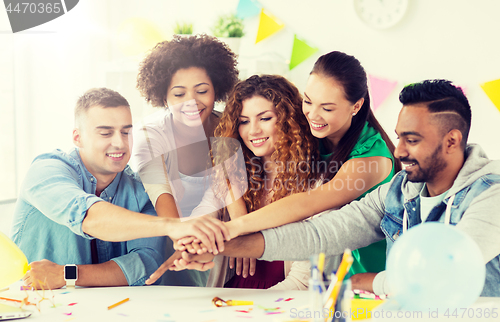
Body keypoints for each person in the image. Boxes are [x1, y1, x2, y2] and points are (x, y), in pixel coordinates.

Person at [171, 79, 500, 297]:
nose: (398, 151)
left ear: (452, 140)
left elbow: (443, 277)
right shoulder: (400, 191)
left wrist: (363, 282)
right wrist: (219, 247)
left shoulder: (491, 193)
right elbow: (319, 235)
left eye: (411, 141)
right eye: (399, 137)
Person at [175, 51, 400, 281]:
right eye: (308, 101)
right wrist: (234, 206)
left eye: (327, 108)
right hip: (328, 268)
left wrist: (237, 229)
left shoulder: (372, 161)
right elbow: (229, 149)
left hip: (365, 274)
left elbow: (310, 203)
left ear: (356, 106)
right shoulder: (313, 132)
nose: (312, 115)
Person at [11, 88, 228, 289]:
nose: (120, 143)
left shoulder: (140, 191)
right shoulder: (46, 171)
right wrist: (173, 226)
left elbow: (145, 263)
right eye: (106, 133)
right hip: (30, 305)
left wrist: (68, 275)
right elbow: (89, 217)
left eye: (126, 132)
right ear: (78, 137)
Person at [188, 74, 322, 289]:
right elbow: (203, 217)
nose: (253, 130)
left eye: (265, 118)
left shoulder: (316, 185)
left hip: (279, 302)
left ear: (290, 120)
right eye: (243, 121)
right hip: (232, 297)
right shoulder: (231, 176)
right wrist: (195, 241)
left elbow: (303, 280)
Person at [132, 34, 239, 286]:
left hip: (217, 241)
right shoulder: (149, 135)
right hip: (167, 239)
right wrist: (182, 239)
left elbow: (223, 193)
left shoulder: (231, 128)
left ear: (217, 88)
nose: (191, 102)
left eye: (202, 91)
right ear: (163, 96)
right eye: (179, 94)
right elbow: (160, 192)